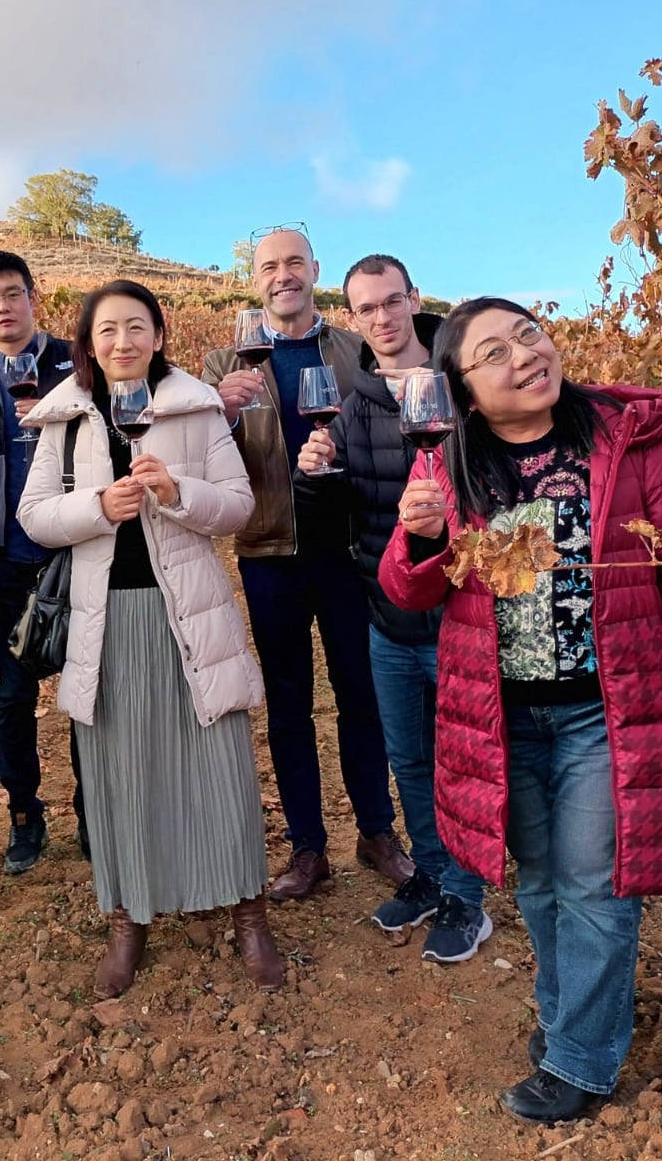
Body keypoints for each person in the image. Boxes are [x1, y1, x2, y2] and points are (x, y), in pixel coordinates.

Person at [379, 297, 662, 1122]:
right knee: (542, 884)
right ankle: (567, 1020)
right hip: (503, 718)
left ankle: (582, 1061)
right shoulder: (448, 463)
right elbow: (409, 593)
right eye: (494, 353)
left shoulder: (624, 443)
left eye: (529, 335)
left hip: (604, 713)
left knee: (595, 885)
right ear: (464, 392)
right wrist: (421, 540)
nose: (523, 356)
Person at [18, 279, 283, 998]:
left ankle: (248, 912)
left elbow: (236, 507)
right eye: (107, 331)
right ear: (89, 343)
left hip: (187, 615)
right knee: (121, 769)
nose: (123, 342)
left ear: (159, 336)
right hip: (107, 622)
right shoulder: (67, 421)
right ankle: (130, 919)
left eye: (136, 327)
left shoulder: (195, 408)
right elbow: (36, 516)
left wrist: (177, 495)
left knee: (217, 761)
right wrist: (98, 507)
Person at [201, 225, 412, 901]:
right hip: (268, 553)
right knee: (289, 704)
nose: (283, 274)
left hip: (349, 551)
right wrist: (223, 418)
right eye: (269, 265)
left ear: (314, 270)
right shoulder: (222, 365)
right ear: (254, 278)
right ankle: (307, 846)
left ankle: (377, 831)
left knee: (363, 696)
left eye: (295, 261)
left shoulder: (356, 351)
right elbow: (201, 460)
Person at [295, 255, 491, 963]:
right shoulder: (354, 404)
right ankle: (434, 877)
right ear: (351, 319)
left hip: (463, 622)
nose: (381, 317)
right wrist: (313, 476)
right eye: (365, 308)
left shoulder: (464, 389)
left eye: (391, 302)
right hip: (388, 622)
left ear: (413, 300)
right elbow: (333, 516)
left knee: (463, 764)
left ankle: (469, 901)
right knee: (409, 762)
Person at [0, 251, 88, 874]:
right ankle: (25, 817)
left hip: (76, 552)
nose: (2, 307)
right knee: (13, 694)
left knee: (89, 690)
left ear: (34, 297)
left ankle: (96, 811)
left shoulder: (76, 363)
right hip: (7, 561)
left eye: (13, 293)